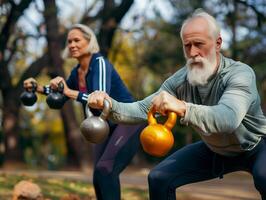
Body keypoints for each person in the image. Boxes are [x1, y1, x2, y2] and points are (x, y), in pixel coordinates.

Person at [87, 9, 266, 200]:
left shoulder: (240, 74)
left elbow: (228, 118)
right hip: (215, 150)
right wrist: (108, 104)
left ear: (217, 43)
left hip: (256, 146)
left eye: (199, 44)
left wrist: (182, 107)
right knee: (158, 178)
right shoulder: (180, 80)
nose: (192, 53)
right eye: (187, 46)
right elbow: (141, 109)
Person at [23, 24, 145, 200]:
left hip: (127, 122)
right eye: (69, 41)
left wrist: (68, 91)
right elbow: (61, 92)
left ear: (89, 42)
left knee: (106, 169)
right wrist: (36, 87)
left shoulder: (99, 63)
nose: (72, 44)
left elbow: (102, 101)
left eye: (77, 40)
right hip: (105, 126)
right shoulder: (77, 72)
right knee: (98, 176)